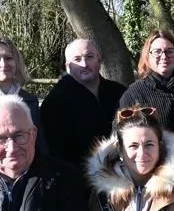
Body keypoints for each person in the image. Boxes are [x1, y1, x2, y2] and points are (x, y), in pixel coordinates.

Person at [119, 30, 174, 187]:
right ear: (147, 56)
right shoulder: (134, 94)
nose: (164, 56)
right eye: (157, 51)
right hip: (157, 181)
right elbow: (125, 140)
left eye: (169, 51)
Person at [40, 38, 127, 166]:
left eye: (89, 57)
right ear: (68, 66)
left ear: (99, 60)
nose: (84, 64)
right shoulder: (55, 102)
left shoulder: (119, 92)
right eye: (77, 59)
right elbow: (56, 152)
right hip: (78, 173)